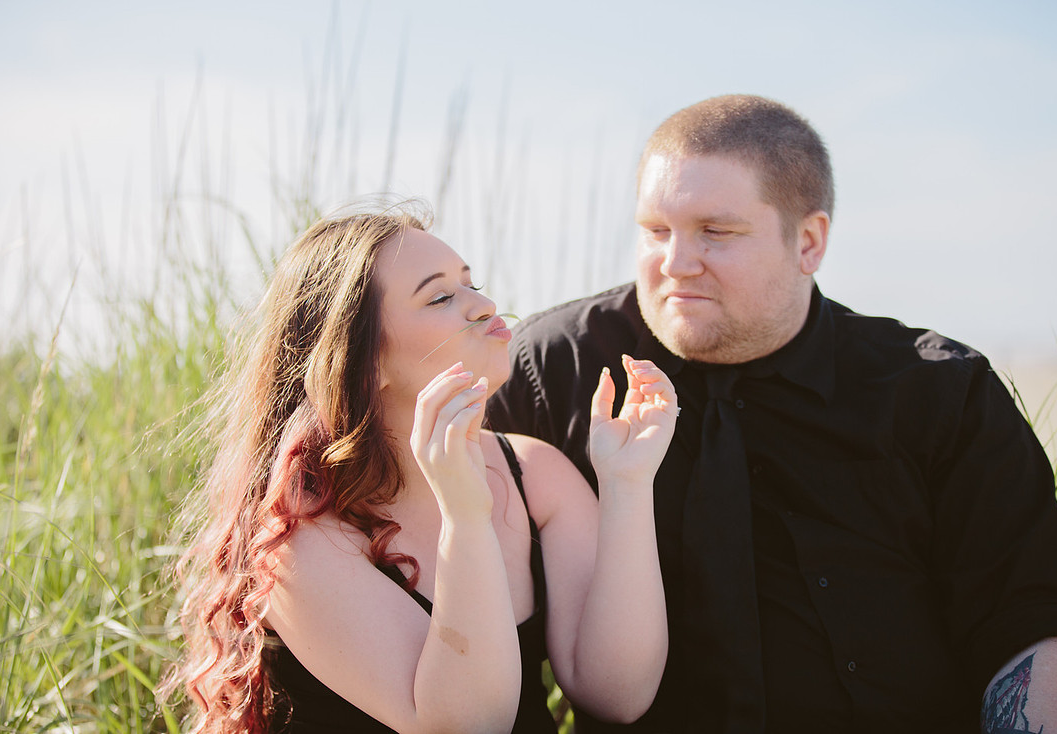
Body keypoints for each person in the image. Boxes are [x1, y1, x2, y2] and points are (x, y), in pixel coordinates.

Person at [487, 95, 1057, 733]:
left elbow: (1025, 622)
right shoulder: (550, 370)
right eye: (655, 230)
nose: (675, 263)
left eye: (715, 232)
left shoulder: (940, 393)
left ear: (809, 242)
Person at [162, 202, 677, 733]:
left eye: (472, 284)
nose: (485, 305)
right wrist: (466, 516)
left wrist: (627, 484)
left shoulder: (535, 474)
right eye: (440, 297)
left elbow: (619, 693)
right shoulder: (299, 537)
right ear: (365, 362)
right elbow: (468, 727)